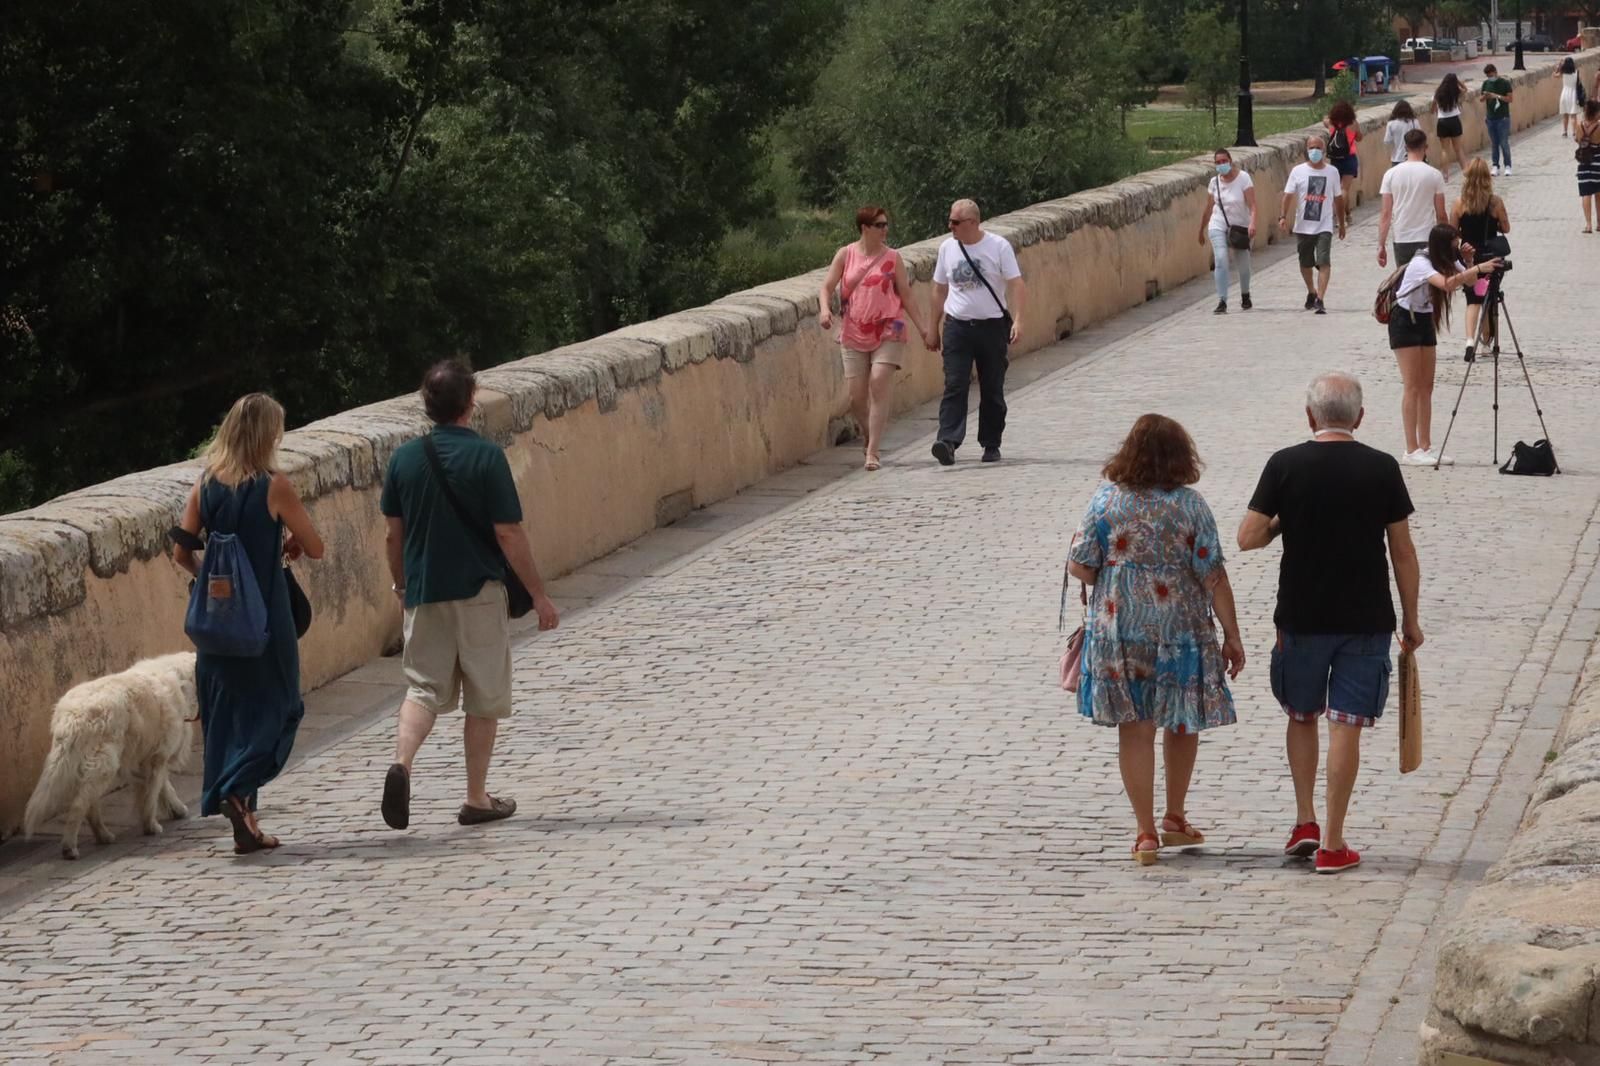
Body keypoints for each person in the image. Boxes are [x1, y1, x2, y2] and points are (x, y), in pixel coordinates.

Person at [1237, 372, 1423, 875]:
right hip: (1366, 617)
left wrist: (1282, 522)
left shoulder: (1286, 465)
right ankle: (1334, 843)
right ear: (1359, 418)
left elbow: (1247, 537)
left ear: (1309, 416)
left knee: (1301, 715)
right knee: (1347, 726)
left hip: (1300, 614)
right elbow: (1402, 552)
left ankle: (1305, 821)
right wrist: (1411, 618)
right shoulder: (1382, 468)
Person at [379, 360, 561, 831]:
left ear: (427, 404)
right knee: (484, 695)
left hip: (423, 592)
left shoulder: (403, 460)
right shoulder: (486, 457)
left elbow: (391, 538)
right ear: (470, 402)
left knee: (422, 688)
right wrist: (539, 596)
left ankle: (402, 762)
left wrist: (402, 587)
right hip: (479, 591)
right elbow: (509, 534)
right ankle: (477, 797)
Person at [1067, 414, 1245, 866]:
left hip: (1120, 633)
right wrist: (1233, 635)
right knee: (1182, 719)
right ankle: (1175, 816)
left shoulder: (1106, 502)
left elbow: (1082, 567)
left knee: (1136, 727)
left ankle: (1145, 832)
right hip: (1180, 631)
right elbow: (1213, 574)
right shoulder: (1191, 506)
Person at [174, 394, 325, 854]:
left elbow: (182, 552)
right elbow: (315, 546)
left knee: (230, 716)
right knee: (282, 708)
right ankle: (235, 789)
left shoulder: (204, 485)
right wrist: (289, 545)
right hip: (266, 620)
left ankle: (250, 826)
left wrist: (219, 584)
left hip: (218, 625)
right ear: (266, 436)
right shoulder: (273, 486)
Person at [818, 205, 934, 471]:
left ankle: (873, 451)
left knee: (879, 381)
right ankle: (870, 433)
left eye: (886, 224)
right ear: (865, 228)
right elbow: (826, 287)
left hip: (888, 327)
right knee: (856, 397)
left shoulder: (893, 257)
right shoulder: (845, 255)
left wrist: (923, 328)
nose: (885, 229)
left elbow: (905, 294)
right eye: (879, 225)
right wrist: (825, 311)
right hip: (853, 330)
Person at [1387, 224, 1502, 464]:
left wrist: (1470, 262)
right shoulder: (1422, 262)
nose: (1456, 251)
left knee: (1427, 386)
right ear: (1442, 246)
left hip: (1424, 319)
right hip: (1404, 321)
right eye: (1454, 246)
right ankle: (1411, 449)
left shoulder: (1447, 259)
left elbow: (1470, 284)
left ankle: (1425, 445)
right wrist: (1480, 267)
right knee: (1412, 386)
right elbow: (1447, 284)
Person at [930, 199, 1026, 466]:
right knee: (955, 383)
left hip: (992, 326)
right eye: (950, 221)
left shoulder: (998, 247)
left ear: (973, 223)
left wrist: (1018, 320)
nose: (950, 226)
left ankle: (991, 442)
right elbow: (939, 289)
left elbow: (1017, 284)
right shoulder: (947, 248)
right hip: (957, 326)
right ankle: (947, 441)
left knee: (992, 387)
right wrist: (932, 327)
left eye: (955, 222)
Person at [1450, 158, 1512, 353]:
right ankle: (1487, 339)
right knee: (1489, 296)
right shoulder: (1495, 202)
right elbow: (1506, 228)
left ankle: (1470, 340)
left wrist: (1464, 235)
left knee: (1473, 298)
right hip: (1491, 257)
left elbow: (1452, 232)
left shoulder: (1459, 204)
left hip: (1469, 257)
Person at [1280, 135, 1347, 315]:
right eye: (1311, 147)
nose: (1314, 150)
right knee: (1305, 263)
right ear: (1306, 150)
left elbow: (1338, 199)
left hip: (1324, 225)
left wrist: (1341, 223)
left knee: (1324, 261)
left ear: (1324, 151)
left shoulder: (1332, 172)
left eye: (1318, 147)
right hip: (1303, 225)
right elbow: (1288, 195)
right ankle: (1311, 291)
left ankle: (1321, 298)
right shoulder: (1298, 171)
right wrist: (1282, 216)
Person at [1196, 147, 1258, 314]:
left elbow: (1252, 205)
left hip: (1239, 226)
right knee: (1221, 259)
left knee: (1243, 266)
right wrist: (1201, 229)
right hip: (1218, 224)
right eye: (1218, 162)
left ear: (1230, 161)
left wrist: (1252, 223)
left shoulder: (1243, 178)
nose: (1221, 165)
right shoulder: (1214, 182)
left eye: (1224, 161)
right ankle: (1222, 300)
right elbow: (1209, 208)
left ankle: (1245, 294)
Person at [1377, 129, 1447, 268]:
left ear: (1405, 147)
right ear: (1425, 147)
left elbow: (1386, 214)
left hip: (1402, 237)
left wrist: (1381, 244)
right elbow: (1441, 214)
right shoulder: (1434, 175)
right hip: (1426, 237)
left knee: (1404, 283)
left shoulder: (1390, 175)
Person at [1324, 102, 1361, 228]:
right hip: (1349, 158)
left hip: (1335, 159)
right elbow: (1359, 138)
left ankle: (1347, 213)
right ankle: (1341, 217)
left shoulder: (1331, 123)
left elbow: (1325, 119)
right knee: (1344, 189)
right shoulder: (1353, 124)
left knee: (1337, 190)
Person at [1432, 74, 1468, 180]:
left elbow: (1433, 108)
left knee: (1444, 150)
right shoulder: (1456, 92)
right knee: (1458, 149)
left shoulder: (1438, 92)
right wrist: (1459, 82)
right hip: (1454, 120)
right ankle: (1465, 171)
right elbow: (1465, 89)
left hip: (1442, 121)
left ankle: (1445, 175)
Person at [1481, 64, 1514, 176]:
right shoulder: (1486, 84)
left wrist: (1496, 96)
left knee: (1504, 142)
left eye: (1491, 75)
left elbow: (1510, 99)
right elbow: (1481, 99)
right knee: (1494, 143)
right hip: (1491, 118)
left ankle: (1508, 166)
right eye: (1488, 76)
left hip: (1503, 118)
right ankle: (1495, 165)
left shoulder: (1505, 83)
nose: (1490, 77)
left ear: (1495, 72)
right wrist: (1486, 96)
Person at [1576, 99, 1600, 233]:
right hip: (1598, 162)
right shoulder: (1599, 126)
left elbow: (1577, 140)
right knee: (1598, 194)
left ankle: (1588, 225)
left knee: (1586, 194)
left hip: (1584, 163)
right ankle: (1599, 223)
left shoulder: (1579, 125)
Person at [1382, 100, 1420, 166]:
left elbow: (1387, 141)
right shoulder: (1415, 122)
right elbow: (1420, 137)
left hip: (1397, 158)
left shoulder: (1391, 124)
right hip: (1413, 157)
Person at [1558, 56, 1580, 136]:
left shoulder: (1563, 72)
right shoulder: (1576, 72)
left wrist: (1559, 64)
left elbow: (1555, 75)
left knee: (1565, 114)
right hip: (1573, 93)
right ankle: (1574, 132)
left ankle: (1565, 131)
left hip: (1564, 93)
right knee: (1573, 115)